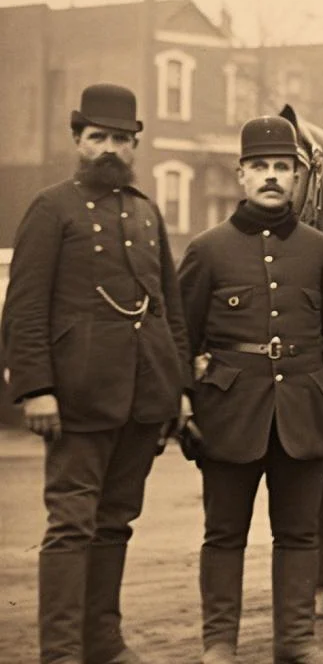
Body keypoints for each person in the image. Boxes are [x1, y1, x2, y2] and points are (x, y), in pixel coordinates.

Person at [3, 83, 191, 664]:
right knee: (71, 526)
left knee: (115, 523)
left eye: (120, 139)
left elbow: (169, 308)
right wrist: (35, 389)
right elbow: (25, 308)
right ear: (77, 140)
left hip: (143, 397)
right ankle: (60, 652)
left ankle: (103, 643)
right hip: (78, 398)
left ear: (135, 144)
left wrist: (179, 389)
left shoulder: (145, 210)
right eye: (97, 137)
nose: (109, 148)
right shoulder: (50, 207)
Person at [177, 115, 323, 664]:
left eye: (282, 168)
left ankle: (298, 642)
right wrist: (182, 401)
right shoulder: (208, 249)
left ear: (299, 177)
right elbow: (179, 338)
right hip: (229, 414)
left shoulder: (318, 250)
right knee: (223, 536)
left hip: (304, 413)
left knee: (300, 535)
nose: (270, 177)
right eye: (259, 167)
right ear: (240, 175)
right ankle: (219, 644)